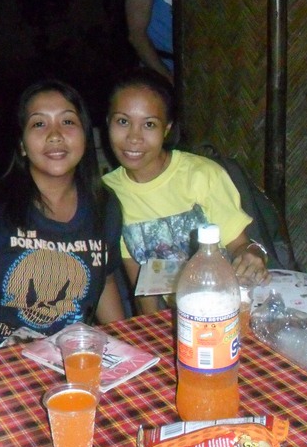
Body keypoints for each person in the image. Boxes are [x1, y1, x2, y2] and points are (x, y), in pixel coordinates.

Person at [0, 79, 124, 353]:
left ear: (85, 136)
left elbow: (105, 281)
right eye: (39, 124)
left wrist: (123, 345)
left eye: (68, 122)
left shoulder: (104, 205)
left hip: (66, 355)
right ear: (22, 144)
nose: (55, 134)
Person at [103, 69, 268, 314]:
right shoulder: (109, 192)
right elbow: (142, 289)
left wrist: (252, 255)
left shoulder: (202, 175)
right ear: (108, 122)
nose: (133, 138)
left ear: (166, 129)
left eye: (149, 124)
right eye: (123, 122)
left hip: (226, 306)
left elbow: (240, 246)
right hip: (173, 317)